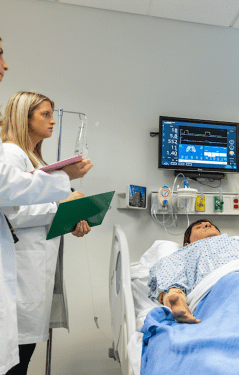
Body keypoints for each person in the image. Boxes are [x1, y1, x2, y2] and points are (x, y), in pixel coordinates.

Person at [0, 37, 93, 374]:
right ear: (25, 119)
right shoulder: (11, 153)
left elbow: (39, 210)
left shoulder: (35, 157)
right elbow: (13, 214)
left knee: (22, 359)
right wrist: (62, 207)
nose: (53, 121)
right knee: (15, 363)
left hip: (36, 271)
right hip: (20, 271)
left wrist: (72, 218)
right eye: (46, 115)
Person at [148, 219, 239, 324]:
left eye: (210, 225)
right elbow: (167, 268)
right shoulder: (187, 251)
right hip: (220, 284)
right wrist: (172, 291)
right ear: (187, 244)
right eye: (198, 227)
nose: (206, 225)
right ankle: (176, 300)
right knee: (171, 286)